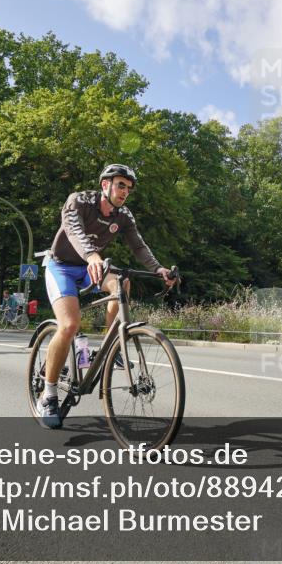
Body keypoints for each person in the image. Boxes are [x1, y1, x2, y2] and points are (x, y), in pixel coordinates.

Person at [35, 163, 176, 429]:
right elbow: (75, 231)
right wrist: (92, 255)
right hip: (62, 266)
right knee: (69, 325)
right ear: (105, 185)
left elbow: (138, 245)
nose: (125, 191)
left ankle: (112, 344)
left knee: (122, 284)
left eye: (129, 188)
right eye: (120, 184)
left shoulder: (124, 215)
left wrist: (158, 269)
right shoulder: (78, 201)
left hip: (94, 266)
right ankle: (49, 394)